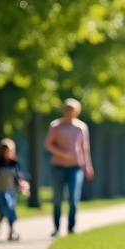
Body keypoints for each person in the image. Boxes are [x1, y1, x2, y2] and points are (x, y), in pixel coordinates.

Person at [44, 98, 94, 237]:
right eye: (67, 109)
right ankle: (56, 228)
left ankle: (71, 227)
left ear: (77, 111)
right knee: (58, 198)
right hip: (58, 166)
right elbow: (48, 144)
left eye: (72, 110)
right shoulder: (56, 126)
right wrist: (62, 153)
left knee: (73, 197)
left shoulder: (81, 127)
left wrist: (87, 166)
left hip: (75, 167)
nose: (70, 112)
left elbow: (85, 148)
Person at [0, 138, 28, 241]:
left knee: (10, 209)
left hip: (11, 190)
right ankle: (2, 226)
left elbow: (18, 175)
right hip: (0, 190)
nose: (9, 153)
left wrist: (22, 184)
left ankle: (11, 230)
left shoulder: (15, 162)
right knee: (4, 210)